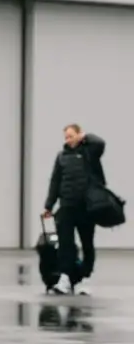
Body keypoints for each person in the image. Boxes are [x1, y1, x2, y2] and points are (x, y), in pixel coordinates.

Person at [43, 123, 106, 295]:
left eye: (71, 135)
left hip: (87, 208)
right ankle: (65, 279)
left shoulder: (89, 152)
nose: (68, 139)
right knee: (65, 244)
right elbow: (55, 182)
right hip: (67, 207)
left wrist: (85, 137)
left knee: (87, 244)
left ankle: (84, 276)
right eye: (66, 137)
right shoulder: (61, 156)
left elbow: (100, 143)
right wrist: (49, 205)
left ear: (79, 135)